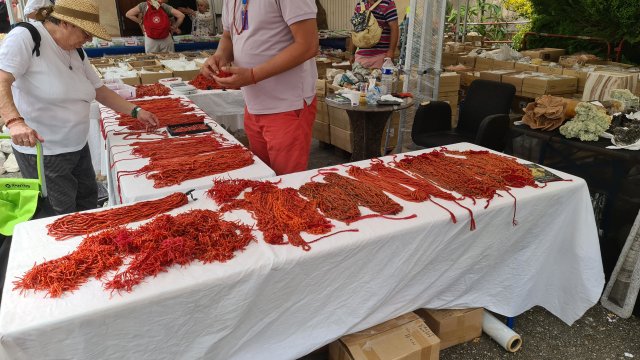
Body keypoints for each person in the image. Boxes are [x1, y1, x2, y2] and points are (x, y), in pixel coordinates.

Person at [0, 0, 159, 216]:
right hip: (46, 152)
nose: (89, 39)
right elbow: (2, 79)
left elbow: (100, 90)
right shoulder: (26, 37)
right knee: (59, 215)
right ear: (66, 23)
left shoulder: (76, 51)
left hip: (77, 146)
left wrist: (136, 111)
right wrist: (14, 121)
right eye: (86, 33)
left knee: (87, 205)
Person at [201, 0, 319, 176]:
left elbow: (308, 45)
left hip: (287, 105)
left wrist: (253, 75)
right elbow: (228, 36)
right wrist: (219, 57)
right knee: (264, 179)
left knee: (286, 186)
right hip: (254, 104)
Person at [349, 0, 399, 69]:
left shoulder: (387, 4)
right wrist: (352, 53)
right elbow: (356, 31)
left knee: (379, 78)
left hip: (381, 56)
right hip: (361, 57)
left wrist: (391, 51)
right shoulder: (359, 5)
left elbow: (394, 29)